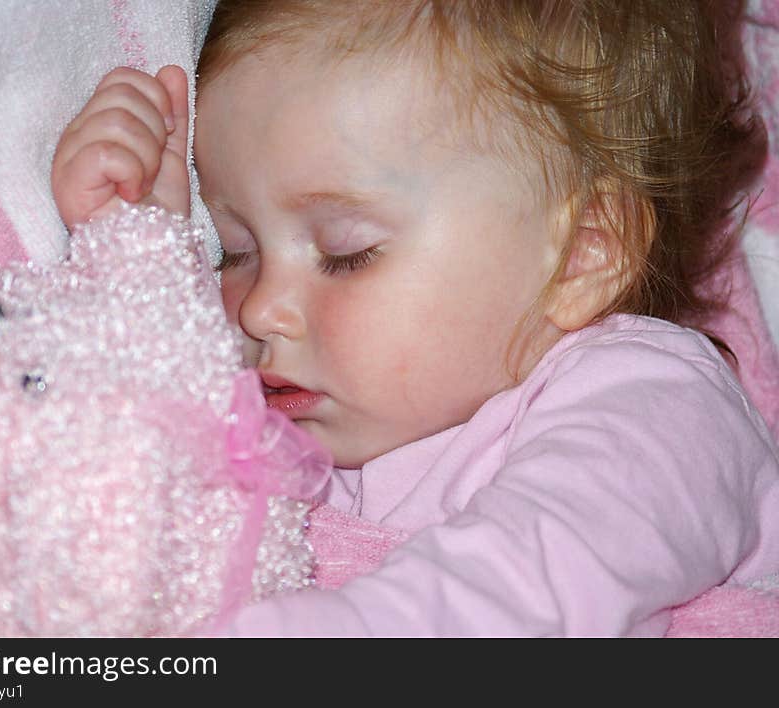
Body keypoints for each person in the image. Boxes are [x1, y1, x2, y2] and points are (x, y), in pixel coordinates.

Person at [51, 0, 779, 636]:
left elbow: (528, 591)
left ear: (584, 253)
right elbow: (145, 477)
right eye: (235, 251)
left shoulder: (656, 403)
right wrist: (139, 249)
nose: (261, 307)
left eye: (345, 253)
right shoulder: (311, 437)